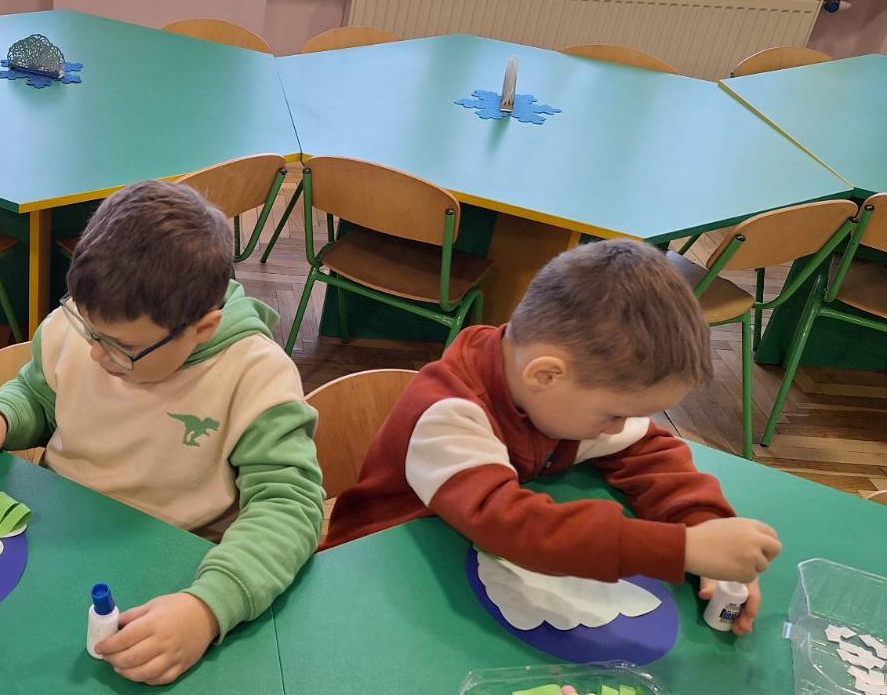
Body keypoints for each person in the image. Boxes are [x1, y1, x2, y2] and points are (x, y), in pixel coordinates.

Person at [0, 181, 324, 684]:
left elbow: (289, 505)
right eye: (89, 330)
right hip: (57, 537)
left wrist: (208, 608)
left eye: (121, 348)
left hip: (173, 570)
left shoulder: (256, 377)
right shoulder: (90, 325)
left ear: (203, 329)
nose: (96, 355)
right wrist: (2, 416)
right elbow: (41, 394)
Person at [327, 239, 781, 634]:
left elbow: (647, 449)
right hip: (373, 576)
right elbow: (512, 527)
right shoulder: (449, 413)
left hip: (460, 567)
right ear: (545, 374)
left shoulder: (556, 395)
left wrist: (704, 524)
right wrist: (681, 550)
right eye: (614, 414)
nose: (618, 427)